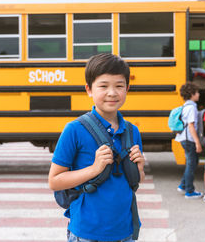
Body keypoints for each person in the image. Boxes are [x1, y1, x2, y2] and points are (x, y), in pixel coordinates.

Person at [48, 53, 145, 242]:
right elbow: (54, 181)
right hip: (86, 233)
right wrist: (95, 168)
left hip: (125, 231)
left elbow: (135, 181)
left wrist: (139, 168)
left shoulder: (132, 132)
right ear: (89, 90)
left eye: (119, 86)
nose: (112, 92)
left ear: (127, 88)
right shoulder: (74, 129)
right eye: (103, 86)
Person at [176, 82, 203, 199]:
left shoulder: (186, 106)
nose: (199, 94)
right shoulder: (191, 108)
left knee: (192, 163)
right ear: (192, 94)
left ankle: (183, 185)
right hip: (189, 139)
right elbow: (191, 126)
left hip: (184, 138)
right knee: (191, 164)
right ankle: (189, 191)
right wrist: (197, 142)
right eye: (197, 92)